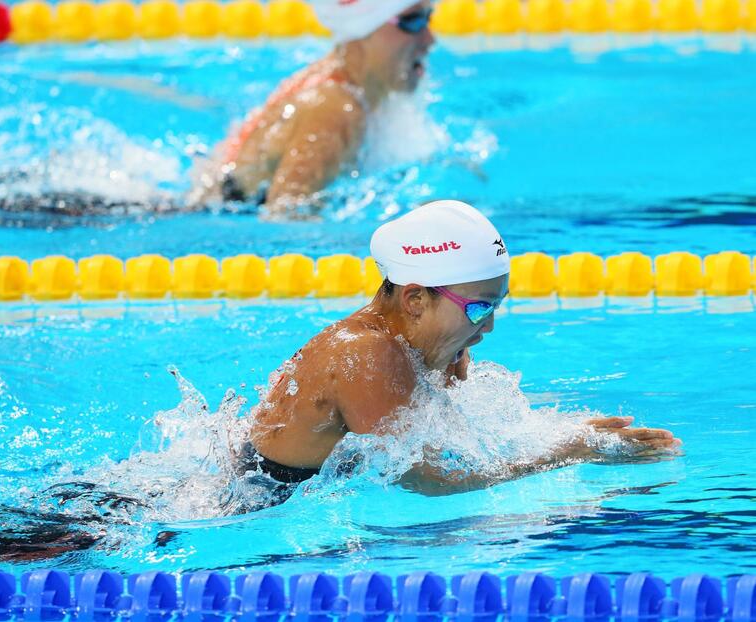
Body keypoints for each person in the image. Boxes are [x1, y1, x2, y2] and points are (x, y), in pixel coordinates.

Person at [241, 199, 681, 500]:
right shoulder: (368, 356)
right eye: (478, 309)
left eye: (495, 307)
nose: (488, 325)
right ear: (415, 300)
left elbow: (449, 445)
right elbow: (435, 480)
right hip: (252, 511)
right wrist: (569, 451)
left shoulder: (410, 341)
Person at [188, 0, 436, 213]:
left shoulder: (359, 87)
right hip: (218, 217)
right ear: (364, 27)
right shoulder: (334, 109)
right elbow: (286, 214)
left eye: (427, 18)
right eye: (412, 22)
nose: (429, 39)